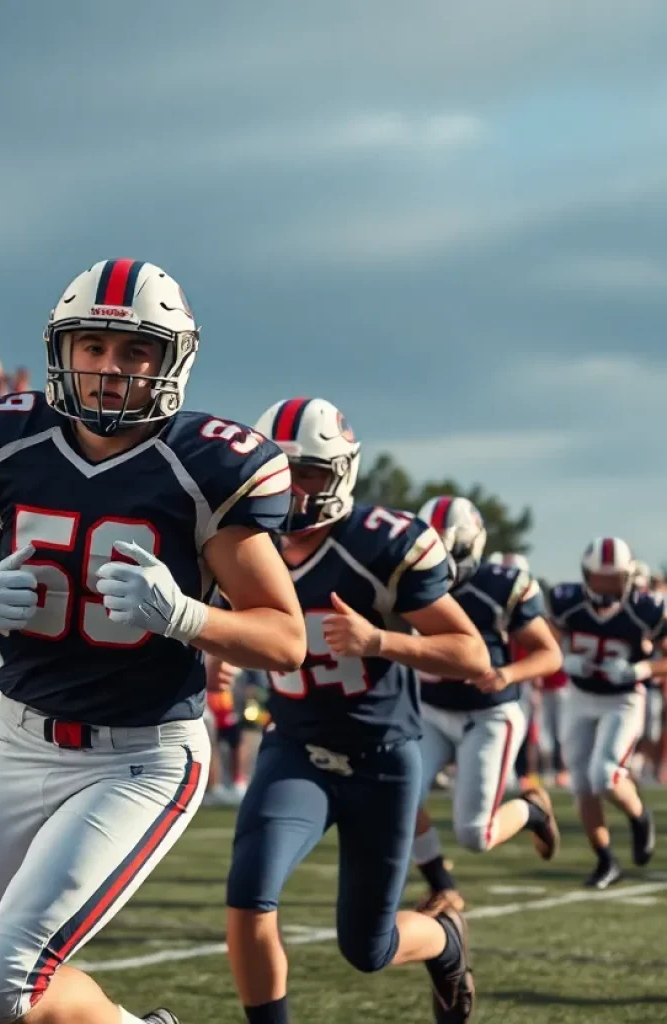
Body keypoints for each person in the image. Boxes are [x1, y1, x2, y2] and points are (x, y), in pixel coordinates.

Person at [0, 259, 305, 1024]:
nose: (110, 369)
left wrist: (186, 616)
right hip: (19, 737)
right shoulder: (5, 443)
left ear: (171, 361)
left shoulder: (204, 467)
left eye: (135, 352)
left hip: (140, 754)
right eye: (93, 346)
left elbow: (285, 639)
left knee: (5, 983)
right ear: (63, 349)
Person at [219, 397, 490, 1024]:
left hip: (381, 761)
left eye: (307, 471)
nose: (289, 487)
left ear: (340, 472)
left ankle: (445, 943)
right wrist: (218, 652)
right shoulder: (234, 537)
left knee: (368, 948)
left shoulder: (379, 543)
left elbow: (472, 654)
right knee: (248, 892)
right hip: (295, 752)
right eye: (277, 469)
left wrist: (380, 641)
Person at [410, 496, 564, 915]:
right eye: (431, 546)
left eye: (448, 547)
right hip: (431, 710)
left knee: (475, 834)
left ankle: (532, 808)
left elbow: (550, 654)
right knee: (397, 797)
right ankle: (443, 886)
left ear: (471, 544)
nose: (439, 558)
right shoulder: (402, 574)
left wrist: (507, 674)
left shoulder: (501, 584)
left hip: (489, 712)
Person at [549, 537, 667, 888]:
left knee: (604, 774)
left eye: (611, 578)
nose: (603, 586)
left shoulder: (646, 608)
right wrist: (563, 658)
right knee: (582, 784)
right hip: (580, 697)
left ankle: (639, 815)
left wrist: (642, 670)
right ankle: (605, 859)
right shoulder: (566, 601)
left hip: (623, 699)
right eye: (598, 578)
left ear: (628, 576)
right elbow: (544, 639)